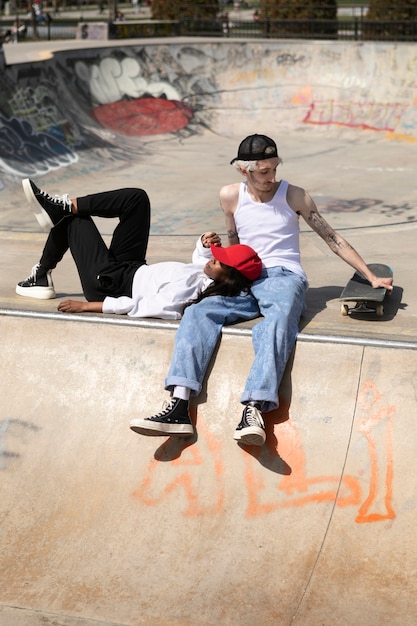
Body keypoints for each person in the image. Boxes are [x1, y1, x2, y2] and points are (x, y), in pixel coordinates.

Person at [129, 133, 394, 443]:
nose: (271, 177)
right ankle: (179, 404)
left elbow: (331, 238)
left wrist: (369, 275)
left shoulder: (294, 196)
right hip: (244, 276)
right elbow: (234, 242)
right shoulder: (230, 196)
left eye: (274, 169)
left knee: (278, 321)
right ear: (245, 170)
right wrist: (226, 272)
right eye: (263, 171)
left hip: (284, 276)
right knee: (198, 312)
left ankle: (253, 407)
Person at [16, 179, 262, 320]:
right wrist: (204, 246)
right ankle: (67, 206)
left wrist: (89, 306)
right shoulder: (207, 277)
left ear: (228, 278)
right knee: (137, 199)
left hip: (109, 285)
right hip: (131, 267)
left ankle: (41, 274)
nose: (212, 261)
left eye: (218, 262)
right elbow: (199, 264)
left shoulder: (186, 296)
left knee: (76, 222)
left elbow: (142, 307)